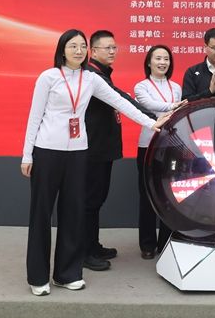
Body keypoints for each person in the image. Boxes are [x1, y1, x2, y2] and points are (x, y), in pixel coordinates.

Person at [21, 29, 168, 296]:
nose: (78, 51)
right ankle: (38, 276)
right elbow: (34, 116)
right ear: (62, 50)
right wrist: (27, 154)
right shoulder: (49, 77)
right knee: (41, 214)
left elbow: (121, 102)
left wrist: (152, 123)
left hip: (79, 152)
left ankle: (67, 273)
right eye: (73, 46)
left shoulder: (91, 79)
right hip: (47, 150)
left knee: (73, 213)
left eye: (82, 46)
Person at [83, 29, 159, 270]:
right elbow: (123, 101)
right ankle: (85, 252)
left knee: (96, 199)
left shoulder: (102, 74)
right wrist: (153, 119)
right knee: (90, 201)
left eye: (114, 47)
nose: (112, 51)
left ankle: (92, 245)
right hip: (93, 150)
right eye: (107, 48)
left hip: (102, 150)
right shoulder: (92, 76)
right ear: (93, 51)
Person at [133, 45, 185, 259]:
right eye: (158, 58)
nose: (163, 62)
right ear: (149, 62)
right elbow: (148, 105)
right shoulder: (141, 87)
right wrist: (174, 106)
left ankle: (166, 241)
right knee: (147, 195)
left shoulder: (176, 87)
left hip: (171, 147)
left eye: (166, 59)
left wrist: (175, 106)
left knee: (169, 196)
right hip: (147, 146)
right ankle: (147, 244)